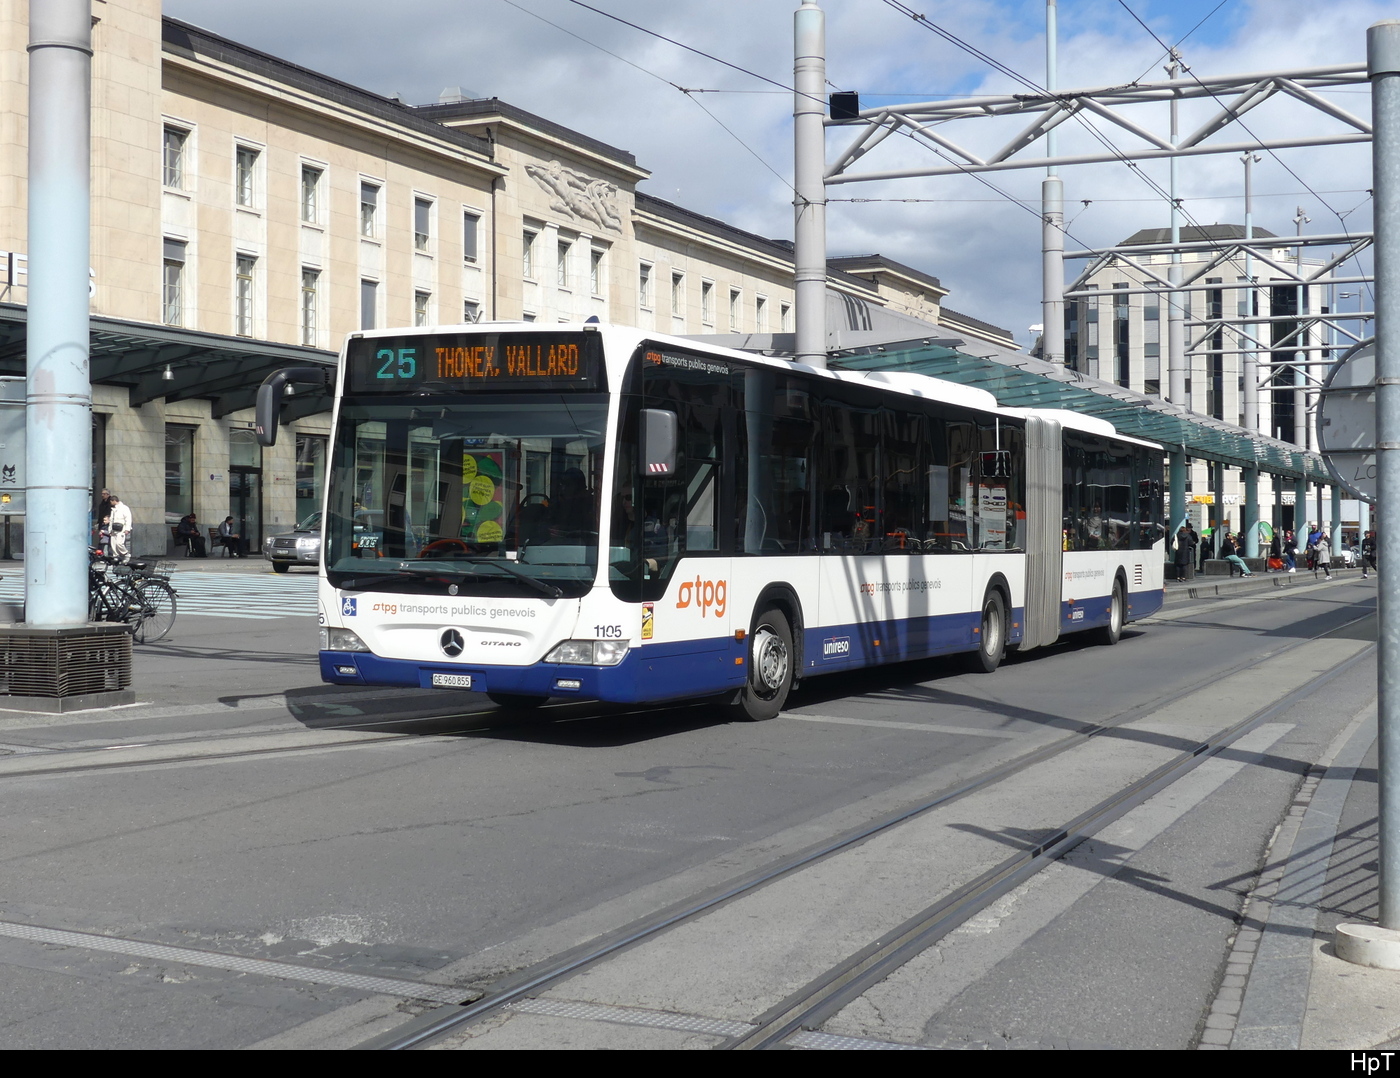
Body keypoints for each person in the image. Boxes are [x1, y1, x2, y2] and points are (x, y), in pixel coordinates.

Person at [107, 494, 132, 563]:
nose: (110, 503)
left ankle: (126, 554)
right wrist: (110, 530)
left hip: (121, 529)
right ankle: (116, 556)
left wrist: (127, 529)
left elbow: (128, 518)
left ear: (114, 501)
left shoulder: (124, 508)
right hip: (114, 529)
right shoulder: (113, 509)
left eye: (111, 502)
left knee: (119, 543)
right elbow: (111, 520)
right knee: (113, 544)